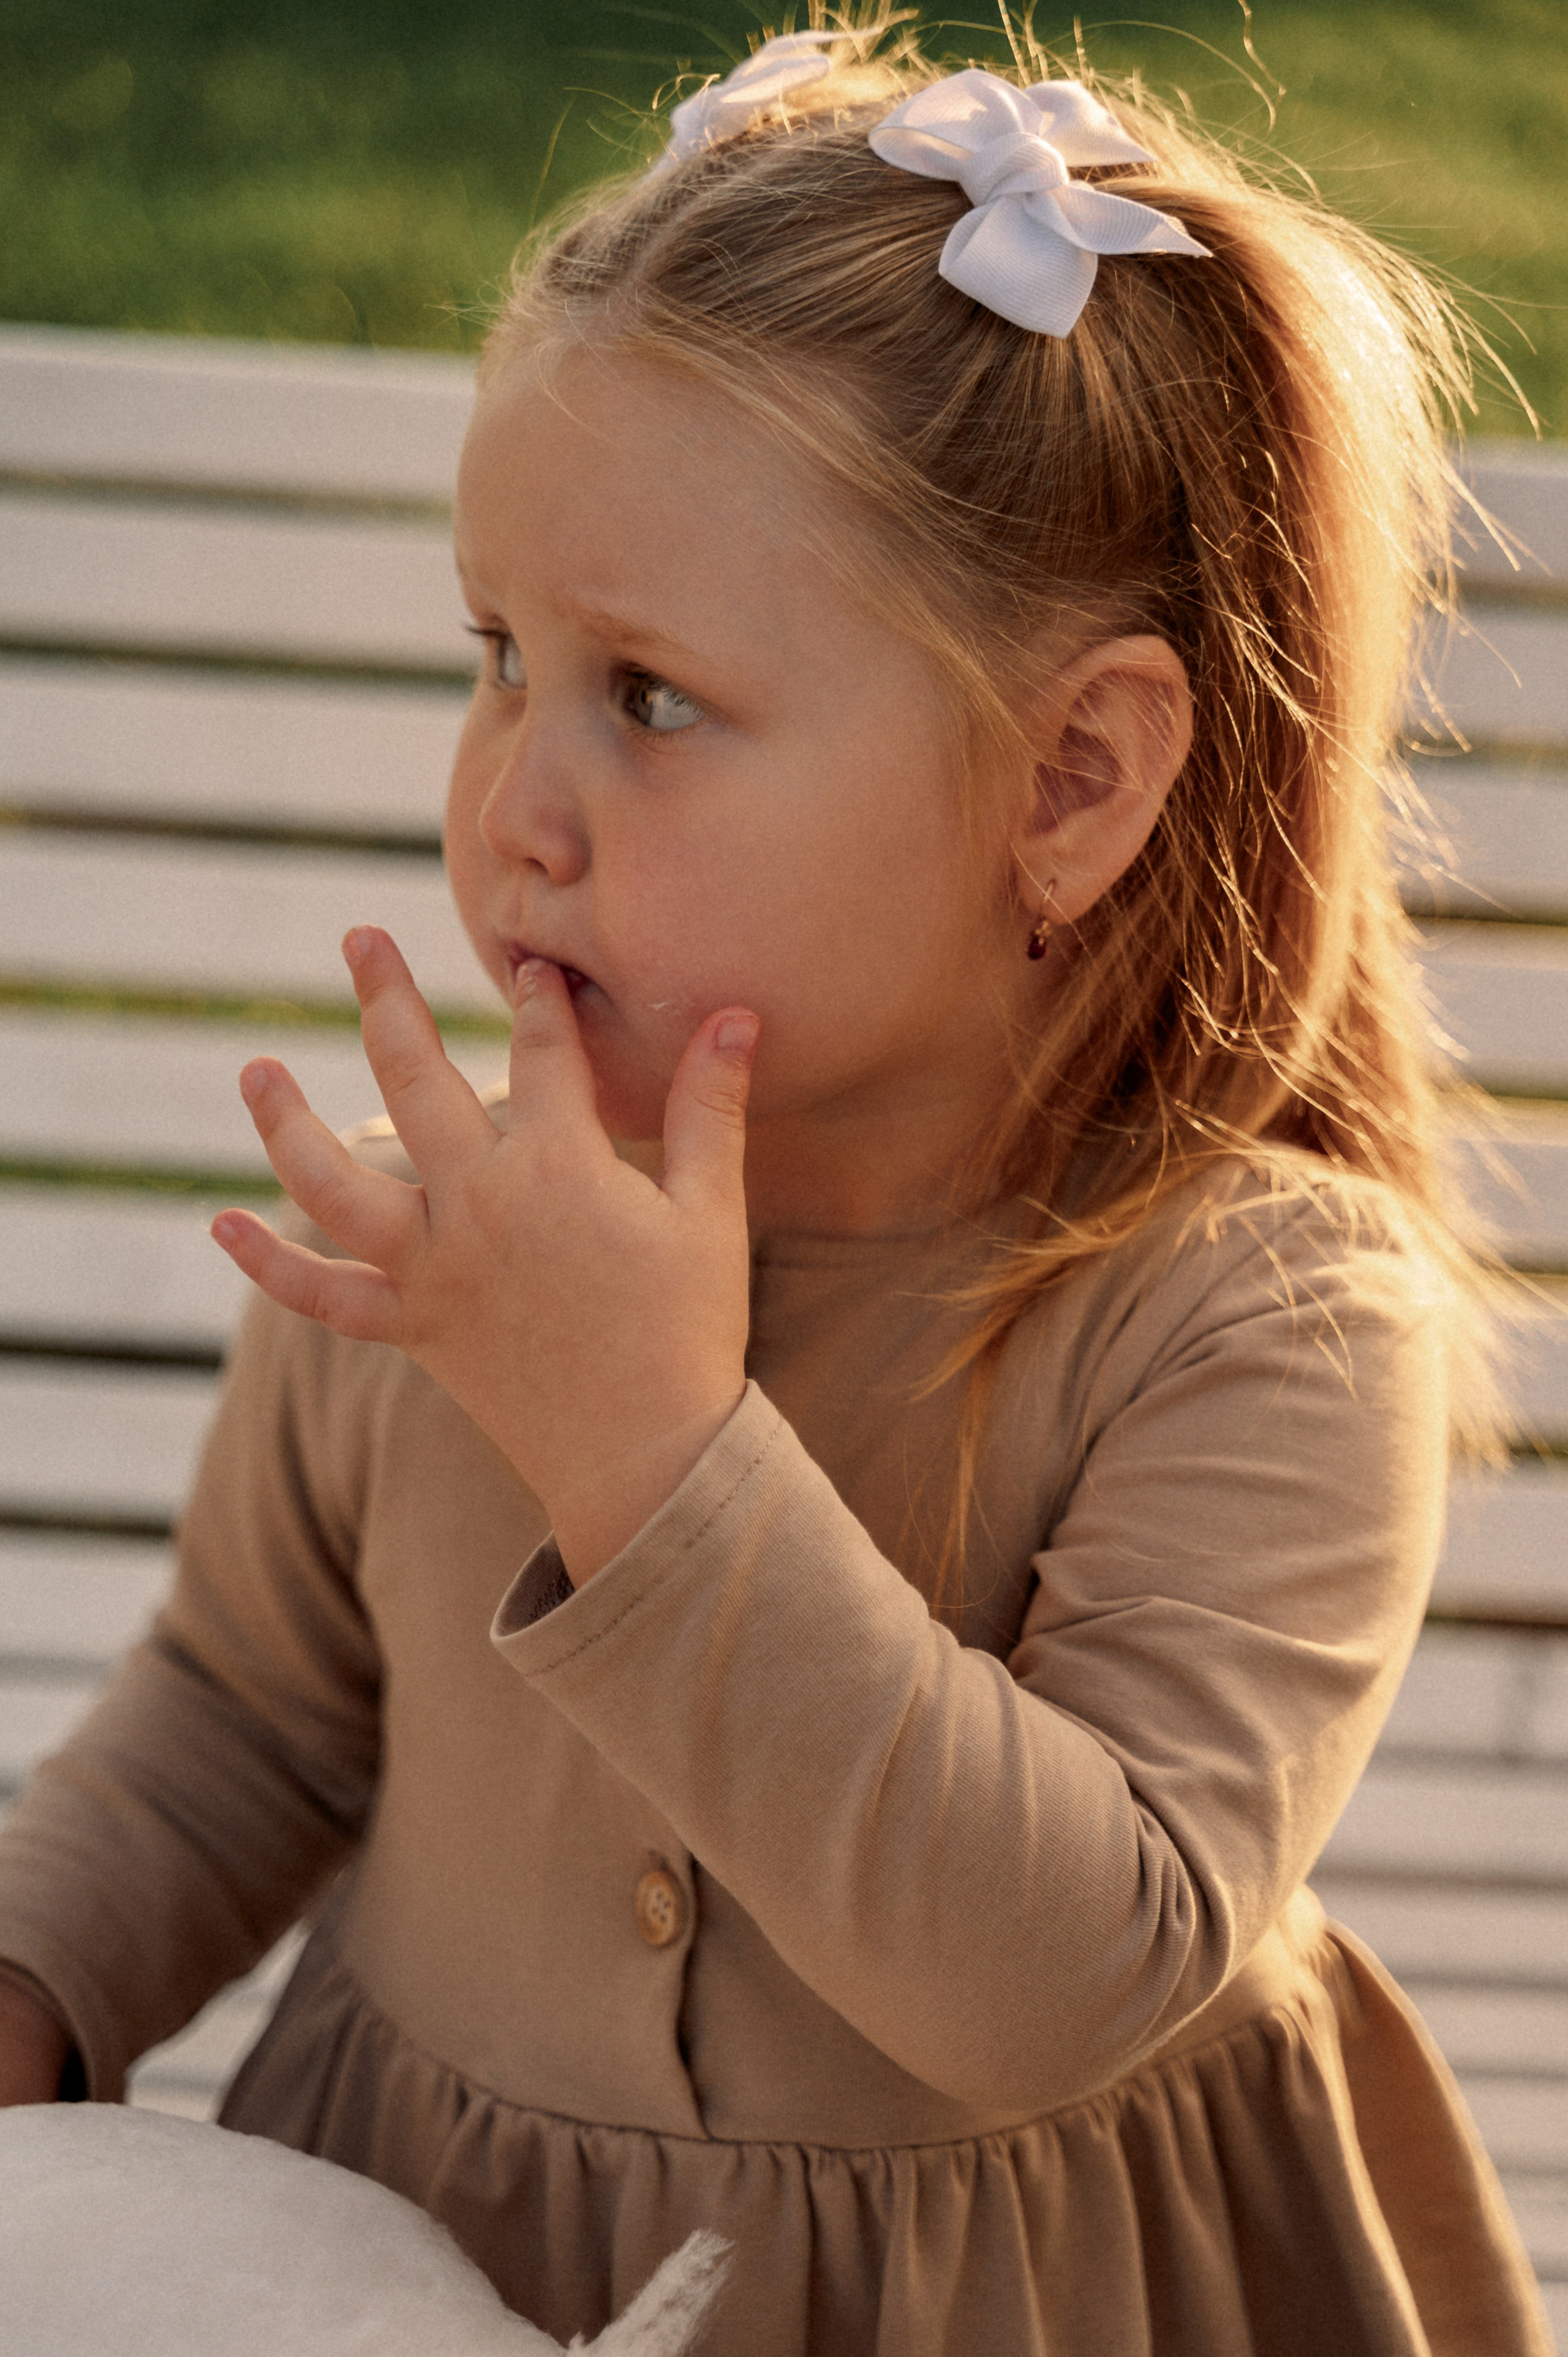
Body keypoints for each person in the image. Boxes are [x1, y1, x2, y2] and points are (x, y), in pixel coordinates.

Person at [0, 20, 1553, 2355]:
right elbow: (244, 1710)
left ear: (1072, 784)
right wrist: (35, 1976)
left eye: (647, 697)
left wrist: (644, 1452)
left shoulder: (1260, 1321)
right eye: (499, 657)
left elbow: (1069, 1974)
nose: (513, 804)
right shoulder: (448, 1237)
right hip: (442, 2262)